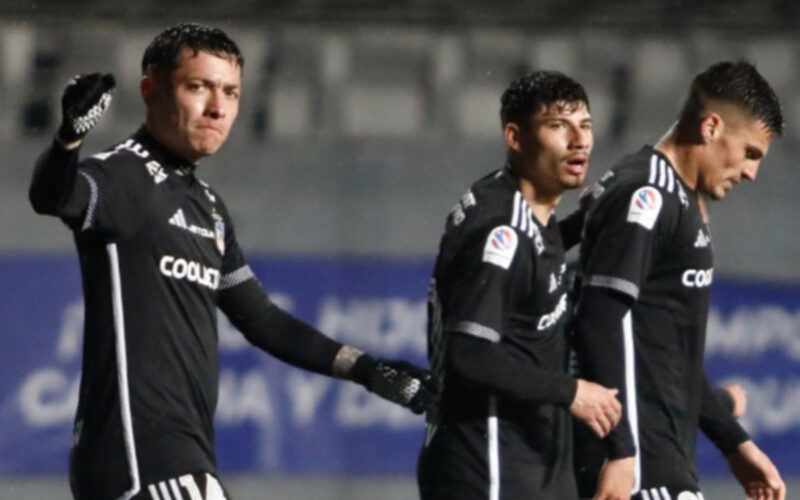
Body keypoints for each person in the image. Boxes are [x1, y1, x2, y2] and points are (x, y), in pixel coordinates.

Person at [28, 23, 437, 500]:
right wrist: (68, 140)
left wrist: (364, 368)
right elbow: (53, 196)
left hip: (178, 452)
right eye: (198, 87)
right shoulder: (126, 174)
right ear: (151, 90)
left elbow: (261, 319)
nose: (217, 108)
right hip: (138, 448)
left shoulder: (209, 207)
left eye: (230, 92)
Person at [571, 60, 786, 500]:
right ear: (711, 127)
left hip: (660, 461)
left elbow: (668, 358)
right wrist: (621, 452)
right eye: (750, 153)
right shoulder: (646, 195)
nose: (751, 173)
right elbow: (598, 319)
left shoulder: (675, 198)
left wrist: (734, 441)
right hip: (640, 466)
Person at [416, 71, 622, 500]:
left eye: (584, 125)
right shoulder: (502, 230)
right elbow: (470, 354)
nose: (579, 140)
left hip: (522, 464)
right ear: (515, 136)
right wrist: (572, 392)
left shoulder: (518, 201)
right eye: (558, 126)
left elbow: (527, 270)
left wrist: (583, 224)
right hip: (490, 466)